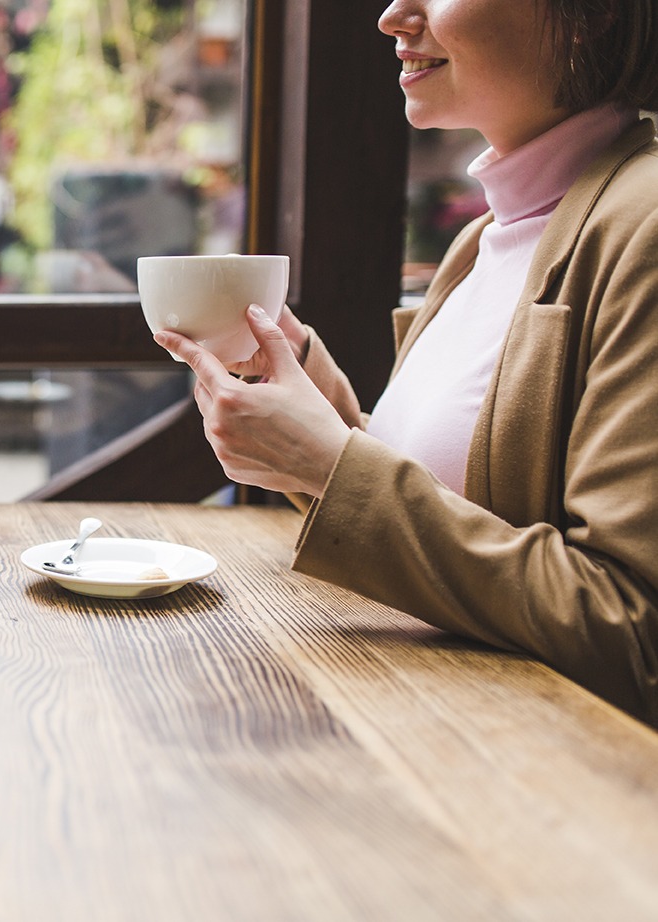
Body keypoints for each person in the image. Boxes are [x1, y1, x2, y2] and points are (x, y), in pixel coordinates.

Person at [156, 0, 658, 723]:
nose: (393, 15)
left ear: (590, 16)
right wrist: (325, 428)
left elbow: (631, 629)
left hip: (543, 795)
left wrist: (333, 468)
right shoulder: (486, 237)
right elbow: (461, 515)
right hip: (422, 725)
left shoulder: (641, 230)